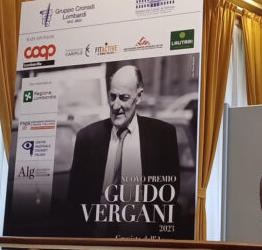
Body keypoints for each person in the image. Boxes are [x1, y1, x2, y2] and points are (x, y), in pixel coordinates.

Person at [66, 65, 180, 236]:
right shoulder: (87, 138)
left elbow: (170, 198)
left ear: (139, 96)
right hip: (96, 243)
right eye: (112, 97)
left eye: (124, 97)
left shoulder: (163, 136)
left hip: (143, 244)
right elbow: (74, 203)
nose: (116, 105)